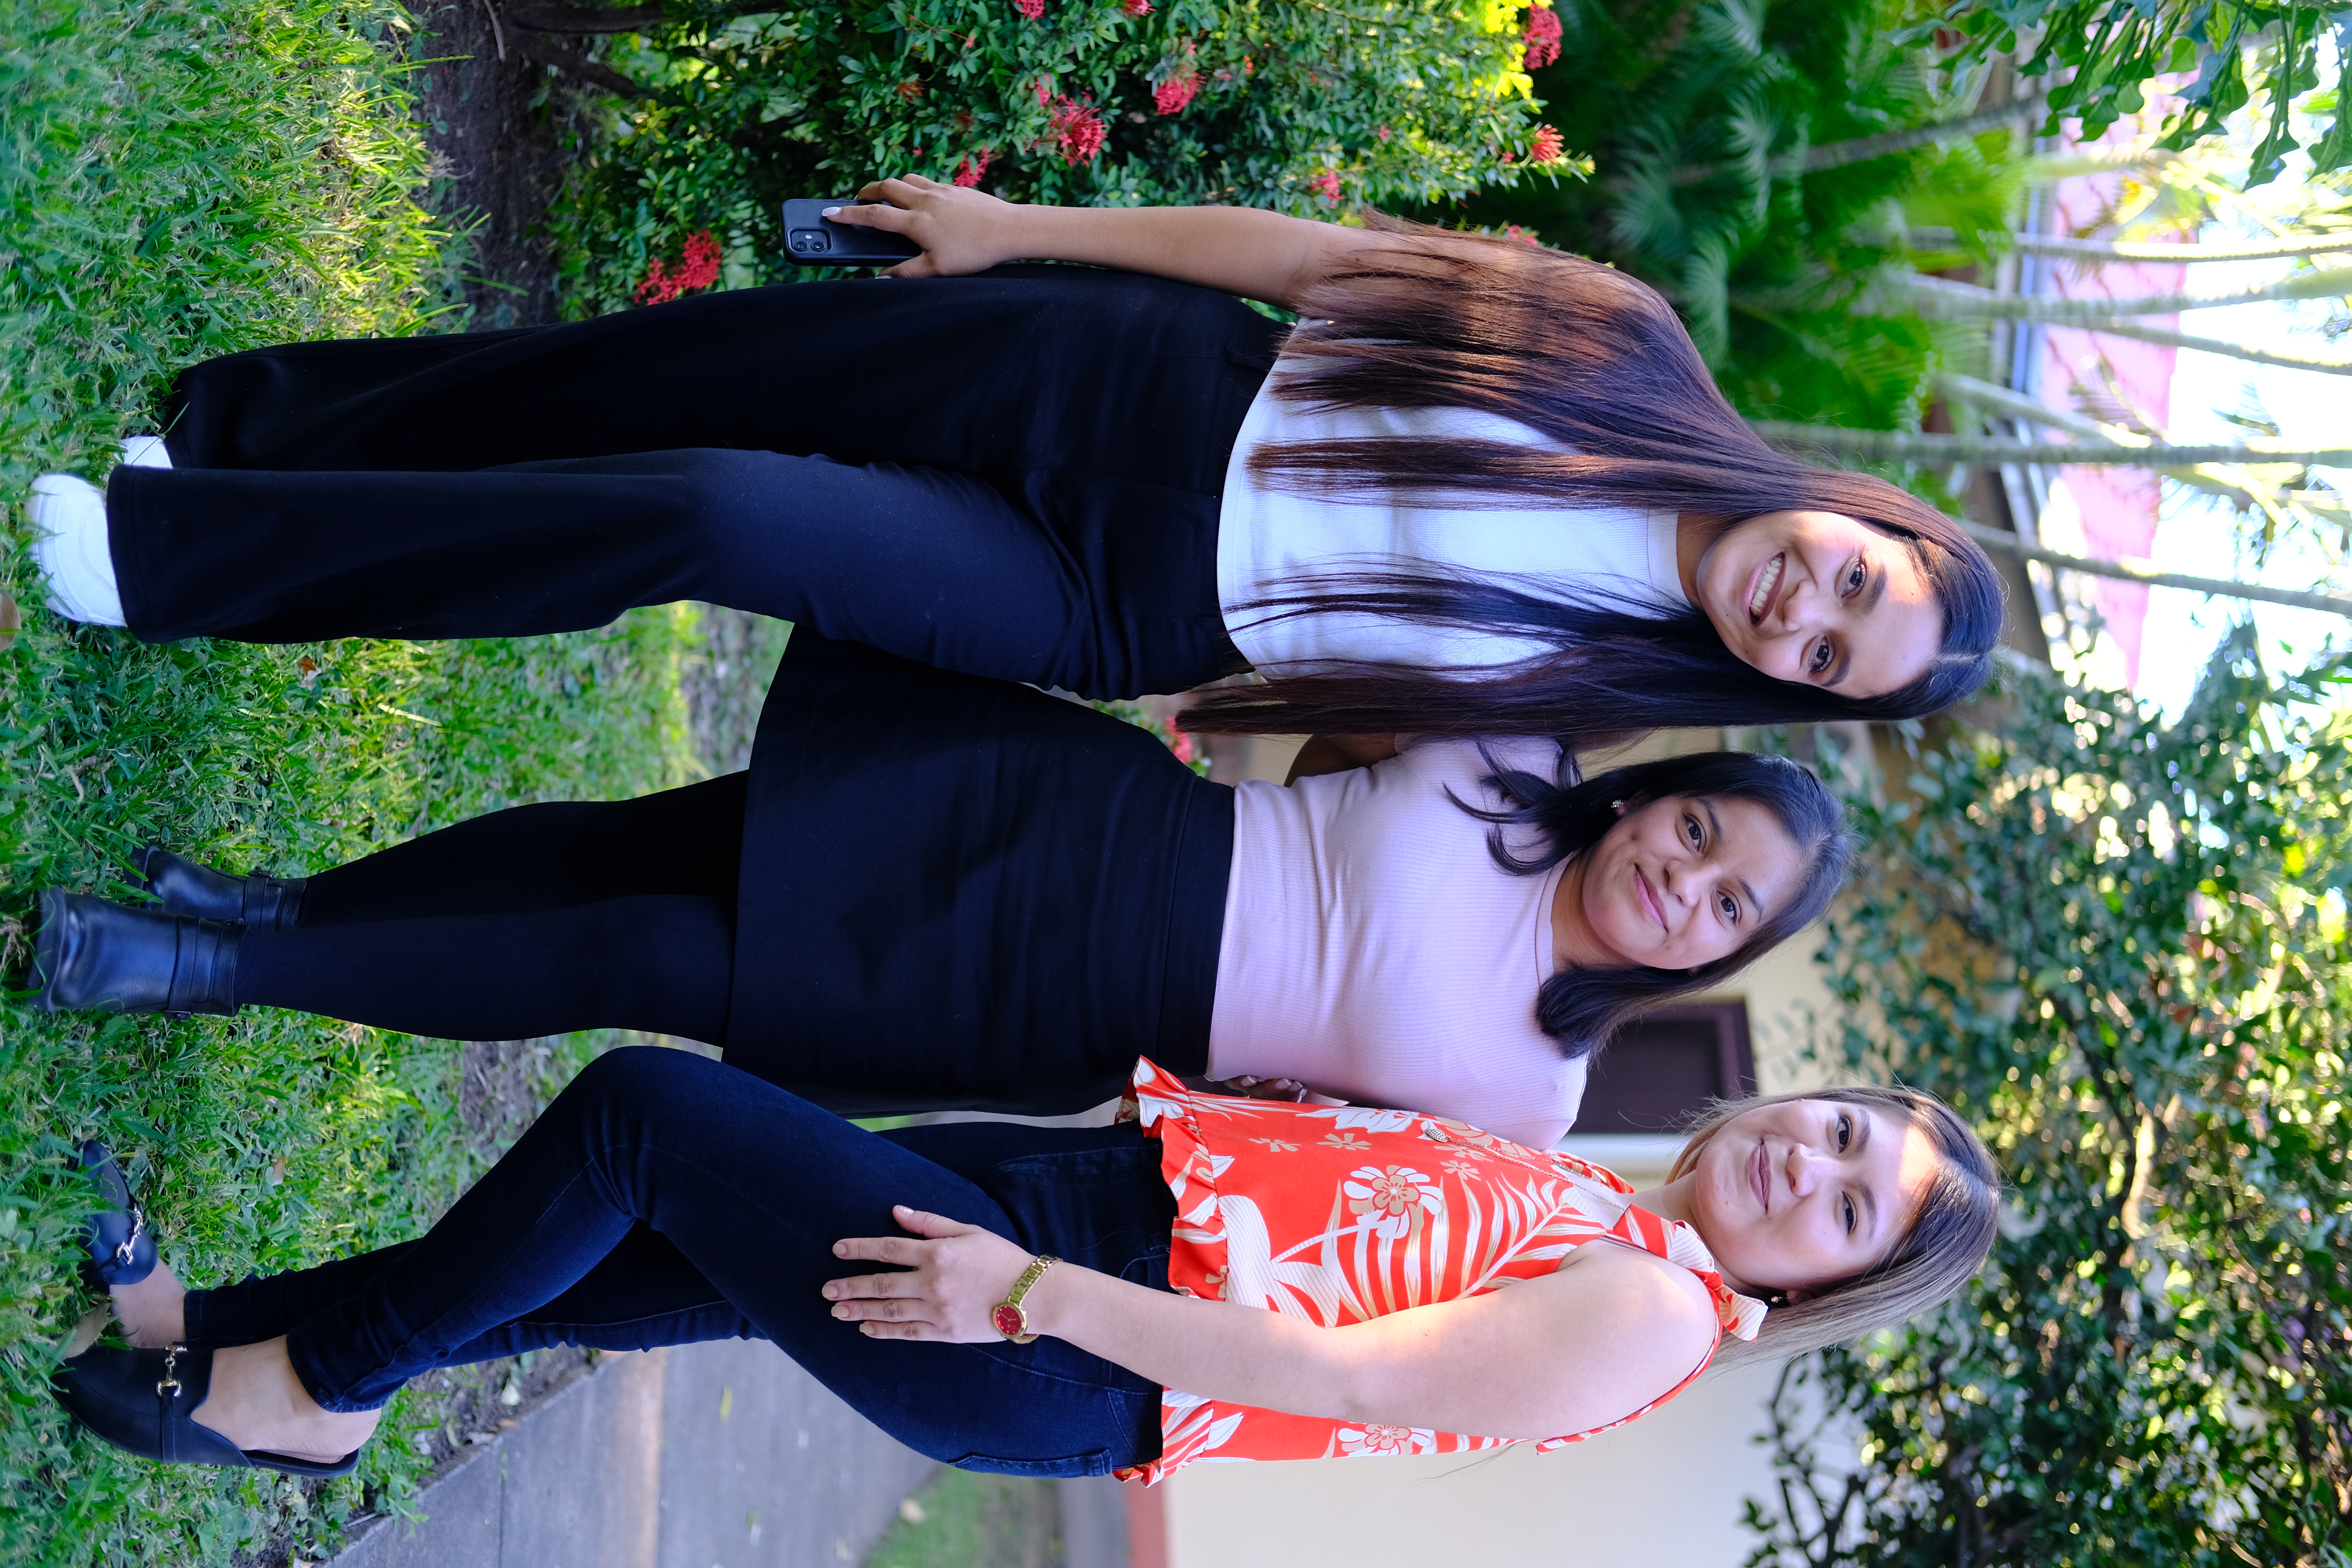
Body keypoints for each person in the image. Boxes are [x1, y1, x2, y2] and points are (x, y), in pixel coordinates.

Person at [26, 179, 2003, 745]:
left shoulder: (1582, 706)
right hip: (1126, 380)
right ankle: (233, 439)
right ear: (1858, 512)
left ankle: (177, 568)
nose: (1804, 613)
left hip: (1112, 599)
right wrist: (1019, 236)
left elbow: (1331, 751)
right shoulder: (1621, 345)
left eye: (1832, 659)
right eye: (1854, 581)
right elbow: (1318, 266)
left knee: (706, 509)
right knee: (655, 376)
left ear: (1794, 696)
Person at [30, 634, 1847, 1147]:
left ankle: (203, 967)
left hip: (1059, 1001)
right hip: (1073, 812)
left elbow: (1302, 1155)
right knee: (628, 841)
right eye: (1703, 833)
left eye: (1728, 907)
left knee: (633, 950)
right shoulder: (1502, 758)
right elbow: (1291, 717)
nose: (1687, 884)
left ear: (1728, 957)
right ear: (1665, 789)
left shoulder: (1538, 1091)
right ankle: (281, 907)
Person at [55, 1050, 2000, 1480]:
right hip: (1066, 1228)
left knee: (646, 1123)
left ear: (1823, 1284)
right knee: (632, 1247)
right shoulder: (1619, 1211)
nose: (1801, 1160)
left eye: (1843, 1204)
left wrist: (1037, 1292)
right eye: (1839, 1129)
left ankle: (310, 1401)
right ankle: (202, 1334)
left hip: (1078, 1333)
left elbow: (1350, 1380)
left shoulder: (1655, 1306)